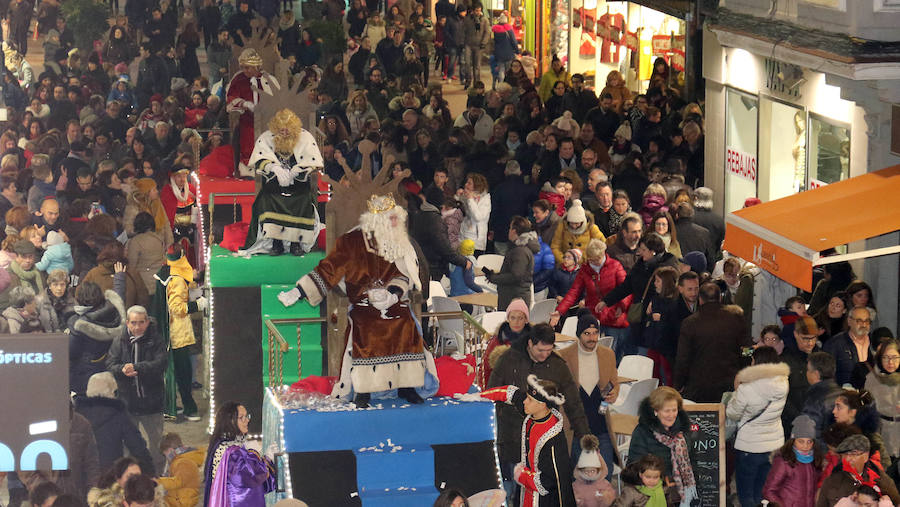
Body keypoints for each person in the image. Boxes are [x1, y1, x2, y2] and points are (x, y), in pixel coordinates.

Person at [278, 195, 437, 408]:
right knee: (368, 326)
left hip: (392, 301)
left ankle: (407, 385)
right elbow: (329, 268)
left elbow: (403, 274)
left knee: (404, 321)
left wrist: (392, 294)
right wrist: (300, 291)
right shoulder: (351, 242)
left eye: (396, 219)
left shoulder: (397, 242)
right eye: (390, 219)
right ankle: (364, 389)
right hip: (362, 302)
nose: (395, 224)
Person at [487, 323, 589, 503]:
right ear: (530, 343)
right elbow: (493, 393)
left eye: (549, 350)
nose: (545, 355)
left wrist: (584, 434)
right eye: (541, 350)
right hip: (512, 438)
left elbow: (573, 402)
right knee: (510, 492)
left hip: (545, 443)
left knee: (546, 492)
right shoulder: (509, 359)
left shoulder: (558, 366)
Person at [469, 374, 577, 506]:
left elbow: (548, 481)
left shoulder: (553, 439)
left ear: (542, 405)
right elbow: (510, 393)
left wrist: (521, 475)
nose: (524, 401)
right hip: (527, 490)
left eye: (530, 399)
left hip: (544, 501)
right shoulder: (535, 412)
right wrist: (477, 397)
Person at [241, 109, 323, 256]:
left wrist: (296, 171)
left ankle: (295, 243)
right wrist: (274, 168)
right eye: (281, 130)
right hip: (274, 184)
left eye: (288, 130)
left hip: (298, 184)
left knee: (302, 200)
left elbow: (312, 161)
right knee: (267, 198)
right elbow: (259, 159)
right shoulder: (266, 137)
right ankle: (276, 243)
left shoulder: (305, 137)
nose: (284, 133)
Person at [557, 309, 619, 480]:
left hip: (600, 424)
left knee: (605, 475)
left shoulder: (608, 355)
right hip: (575, 426)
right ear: (578, 335)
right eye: (587, 333)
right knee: (577, 477)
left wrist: (614, 393)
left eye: (595, 333)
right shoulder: (564, 357)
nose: (592, 338)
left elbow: (614, 381)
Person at [725, 346, 789, 507]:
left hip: (750, 446)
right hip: (774, 445)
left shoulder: (747, 388)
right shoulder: (783, 382)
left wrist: (736, 392)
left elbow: (733, 413)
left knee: (746, 494)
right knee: (763, 492)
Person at [106, 305, 168, 472]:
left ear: (147, 322)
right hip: (128, 404)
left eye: (141, 322)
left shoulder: (156, 340)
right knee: (127, 445)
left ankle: (156, 476)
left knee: (156, 445)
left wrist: (138, 368)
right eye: (133, 323)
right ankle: (129, 478)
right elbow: (110, 364)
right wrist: (122, 370)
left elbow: (161, 363)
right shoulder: (119, 340)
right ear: (127, 323)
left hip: (152, 404)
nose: (137, 326)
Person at [674, 282, 750, 403]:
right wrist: (745, 369)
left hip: (699, 385)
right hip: (730, 381)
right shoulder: (737, 318)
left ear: (700, 299)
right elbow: (747, 349)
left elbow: (683, 358)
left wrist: (678, 384)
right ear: (720, 297)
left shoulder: (690, 323)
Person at [627, 386, 698, 505]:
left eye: (674, 410)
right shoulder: (642, 432)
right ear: (656, 411)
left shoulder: (683, 431)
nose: (671, 415)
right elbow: (634, 466)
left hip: (680, 492)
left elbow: (692, 460)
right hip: (651, 492)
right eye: (666, 411)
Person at [158, 245, 206, 421]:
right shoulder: (177, 279)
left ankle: (171, 405)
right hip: (178, 334)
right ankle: (189, 408)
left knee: (175, 372)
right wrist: (197, 305)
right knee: (183, 373)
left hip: (169, 331)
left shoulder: (166, 272)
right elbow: (177, 308)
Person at [75, 372, 155, 475]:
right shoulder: (118, 414)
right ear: (111, 392)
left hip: (83, 472)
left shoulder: (77, 415)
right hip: (110, 472)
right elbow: (137, 446)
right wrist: (150, 471)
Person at [203, 402, 277, 507]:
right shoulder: (231, 453)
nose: (246, 420)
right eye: (241, 417)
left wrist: (265, 459)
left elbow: (258, 480)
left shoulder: (225, 444)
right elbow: (249, 477)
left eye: (247, 416)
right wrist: (255, 453)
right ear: (230, 421)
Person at [226, 48, 279, 176]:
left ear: (256, 66)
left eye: (248, 68)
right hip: (248, 120)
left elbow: (277, 99)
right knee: (248, 141)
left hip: (267, 121)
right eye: (243, 67)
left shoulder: (269, 79)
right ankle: (248, 170)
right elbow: (231, 96)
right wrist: (244, 103)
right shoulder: (239, 79)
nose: (245, 71)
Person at [68, 282, 127, 396]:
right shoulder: (116, 313)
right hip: (111, 368)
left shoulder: (79, 326)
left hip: (85, 374)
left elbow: (71, 352)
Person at [816, 435, 900, 506]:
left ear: (865, 456)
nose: (848, 459)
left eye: (853, 454)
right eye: (845, 454)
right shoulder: (831, 481)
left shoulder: (881, 480)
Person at [761, 415, 823, 507]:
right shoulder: (783, 461)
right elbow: (769, 490)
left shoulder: (815, 460)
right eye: (801, 441)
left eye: (809, 442)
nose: (805, 446)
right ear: (793, 440)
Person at [483, 216, 539, 309]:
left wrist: (494, 278)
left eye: (510, 228)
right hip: (513, 297)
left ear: (514, 231)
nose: (508, 231)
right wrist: (496, 276)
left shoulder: (520, 251)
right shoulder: (521, 249)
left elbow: (516, 276)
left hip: (514, 298)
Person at [781, 317, 822, 434]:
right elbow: (783, 396)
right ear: (796, 334)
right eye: (805, 338)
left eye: (813, 338)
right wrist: (799, 418)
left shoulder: (821, 358)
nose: (810, 343)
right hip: (792, 423)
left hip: (817, 420)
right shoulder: (785, 361)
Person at [481, 298, 531, 388]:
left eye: (520, 318)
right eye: (513, 317)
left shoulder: (533, 340)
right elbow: (485, 368)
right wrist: (486, 390)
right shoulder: (497, 340)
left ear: (526, 320)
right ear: (508, 319)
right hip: (499, 387)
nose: (516, 322)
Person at [865, 338, 900, 465]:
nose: (891, 362)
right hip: (882, 430)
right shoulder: (872, 379)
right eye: (886, 357)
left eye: (895, 357)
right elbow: (865, 407)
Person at [825, 306, 877, 389]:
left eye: (867, 321)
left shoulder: (874, 343)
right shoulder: (835, 344)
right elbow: (827, 375)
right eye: (859, 321)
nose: (864, 324)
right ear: (849, 321)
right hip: (845, 395)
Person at [549, 199, 605, 264]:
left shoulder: (591, 228)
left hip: (586, 265)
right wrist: (564, 261)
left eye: (577, 223)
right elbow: (555, 246)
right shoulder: (562, 227)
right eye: (571, 223)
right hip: (565, 264)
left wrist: (584, 259)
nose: (574, 226)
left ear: (582, 222)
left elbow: (602, 246)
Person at [802, 351, 844, 435]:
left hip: (823, 446)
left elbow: (809, 432)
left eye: (808, 370)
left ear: (816, 374)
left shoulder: (814, 400)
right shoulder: (845, 394)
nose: (806, 373)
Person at [157, 433, 205, 507]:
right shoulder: (180, 459)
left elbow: (177, 482)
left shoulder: (184, 462)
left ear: (170, 450)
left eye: (165, 453)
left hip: (182, 501)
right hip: (181, 497)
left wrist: (158, 481)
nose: (166, 456)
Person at [613, 454, 680, 507]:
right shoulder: (631, 491)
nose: (651, 480)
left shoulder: (664, 488)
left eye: (656, 477)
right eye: (648, 477)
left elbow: (669, 504)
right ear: (640, 475)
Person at [572, 434, 615, 506]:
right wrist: (577, 501)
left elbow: (611, 501)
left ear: (598, 470)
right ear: (581, 471)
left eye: (592, 471)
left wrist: (605, 498)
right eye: (586, 471)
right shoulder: (576, 485)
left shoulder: (604, 484)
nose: (589, 474)